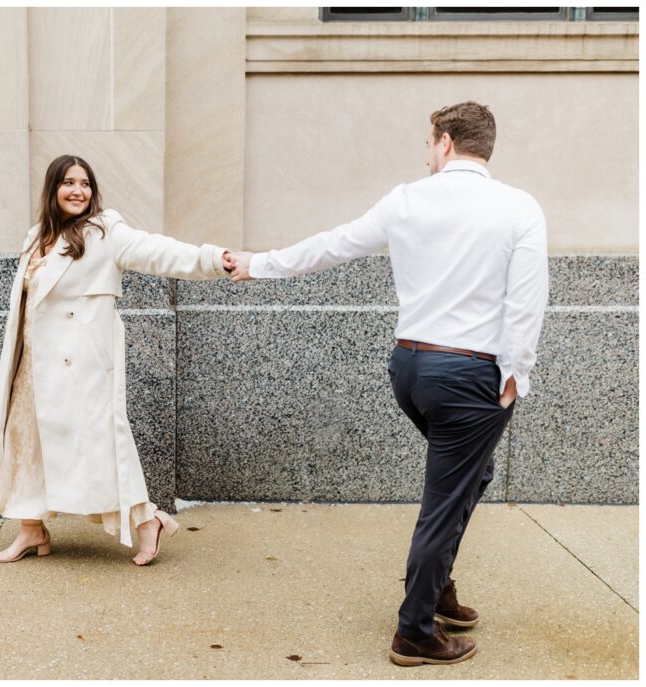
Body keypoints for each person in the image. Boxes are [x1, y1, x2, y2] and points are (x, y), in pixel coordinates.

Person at [226, 101, 548, 666]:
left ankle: (436, 586)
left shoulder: (406, 199)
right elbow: (527, 301)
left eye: (428, 142)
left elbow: (333, 244)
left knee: (473, 473)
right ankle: (414, 631)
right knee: (446, 498)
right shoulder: (520, 208)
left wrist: (260, 263)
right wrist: (517, 373)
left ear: (446, 142)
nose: (425, 154)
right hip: (469, 376)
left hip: (410, 371)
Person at [0, 154, 232, 566]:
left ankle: (150, 522)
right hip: (32, 364)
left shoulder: (104, 231)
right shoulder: (36, 236)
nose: (78, 191)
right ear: (53, 188)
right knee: (26, 442)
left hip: (81, 368)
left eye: (85, 183)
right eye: (69, 183)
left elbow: (157, 251)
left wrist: (213, 259)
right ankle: (31, 529)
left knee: (104, 446)